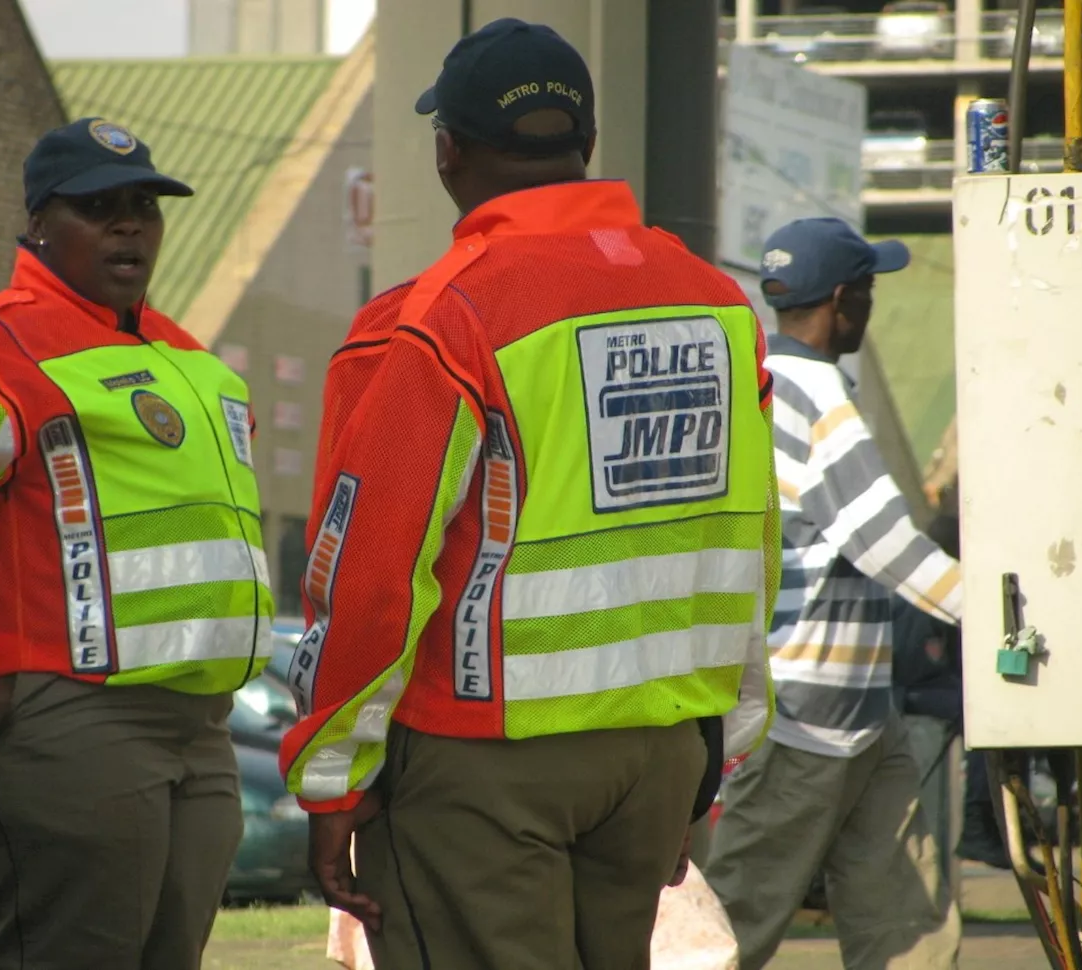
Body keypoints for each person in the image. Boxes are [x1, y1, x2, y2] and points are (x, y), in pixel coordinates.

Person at [278, 18, 781, 970]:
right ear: (586, 146)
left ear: (447, 152)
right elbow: (753, 540)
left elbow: (373, 575)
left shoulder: (444, 319)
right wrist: (711, 756)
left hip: (486, 760)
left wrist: (334, 780)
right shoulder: (719, 306)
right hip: (659, 749)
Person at [0, 117, 275, 970]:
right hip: (68, 721)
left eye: (144, 205)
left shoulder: (186, 356)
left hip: (201, 728)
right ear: (39, 223)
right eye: (97, 207)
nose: (129, 225)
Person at [703, 217, 962, 970]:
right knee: (735, 927)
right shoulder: (818, 394)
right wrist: (1009, 622)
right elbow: (886, 544)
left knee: (904, 915)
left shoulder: (762, 385)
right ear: (845, 300)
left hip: (858, 717)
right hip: (806, 722)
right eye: (870, 292)